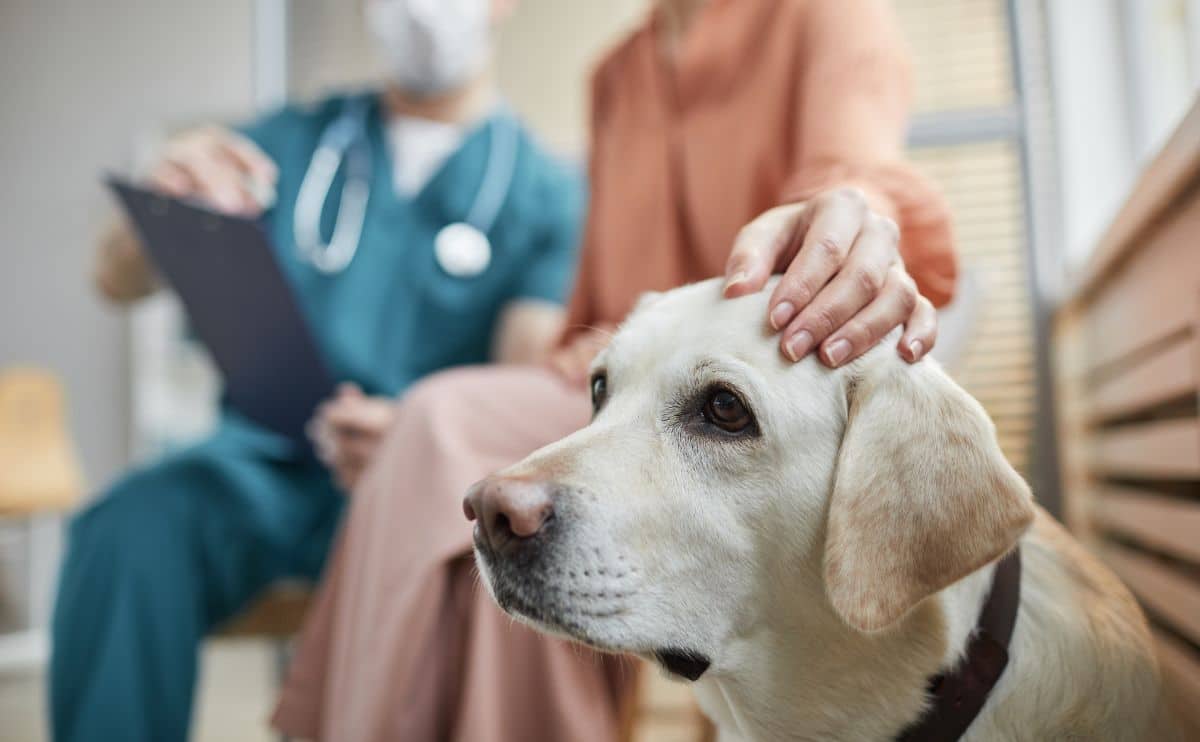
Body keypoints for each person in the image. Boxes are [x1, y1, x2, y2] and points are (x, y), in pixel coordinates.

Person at [271, 0, 959, 740]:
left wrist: (851, 218)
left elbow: (854, 177)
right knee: (447, 454)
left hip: (749, 411)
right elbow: (595, 320)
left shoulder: (826, 15)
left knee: (443, 424)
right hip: (614, 395)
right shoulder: (615, 76)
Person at [49, 2, 584, 741]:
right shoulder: (292, 142)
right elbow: (114, 279)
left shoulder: (545, 192)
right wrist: (162, 201)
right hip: (261, 472)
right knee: (126, 528)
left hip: (421, 490)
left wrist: (414, 438)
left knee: (479, 585)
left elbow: (520, 375)